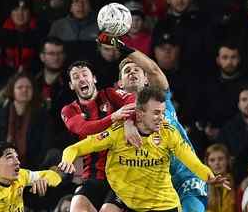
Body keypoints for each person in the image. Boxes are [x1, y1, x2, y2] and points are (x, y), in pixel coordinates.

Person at [58, 86, 230, 212]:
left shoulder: (168, 133)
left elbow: (191, 160)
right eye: (156, 113)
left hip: (164, 205)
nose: (161, 118)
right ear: (139, 114)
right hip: (131, 203)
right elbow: (75, 149)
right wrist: (67, 159)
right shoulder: (117, 133)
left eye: (162, 112)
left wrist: (209, 176)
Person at [97, 32, 209, 212]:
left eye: (137, 69)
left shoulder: (160, 96)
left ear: (147, 79)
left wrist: (121, 47)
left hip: (184, 176)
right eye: (127, 70)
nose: (132, 71)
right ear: (120, 84)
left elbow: (154, 70)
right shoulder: (115, 117)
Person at [60, 60, 136, 211]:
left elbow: (133, 101)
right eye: (76, 76)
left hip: (122, 174)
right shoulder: (69, 110)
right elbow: (83, 128)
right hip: (93, 175)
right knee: (77, 207)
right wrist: (113, 117)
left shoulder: (110, 94)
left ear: (94, 78)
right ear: (71, 85)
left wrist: (128, 122)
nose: (81, 79)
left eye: (84, 74)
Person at [0, 141, 63, 211]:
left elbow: (55, 176)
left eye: (16, 157)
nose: (17, 162)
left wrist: (45, 180)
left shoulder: (21, 176)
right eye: (10, 157)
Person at [204, 144, 236, 212]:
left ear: (227, 160)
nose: (217, 163)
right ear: (207, 163)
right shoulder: (202, 185)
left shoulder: (236, 182)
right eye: (212, 160)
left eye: (220, 159)